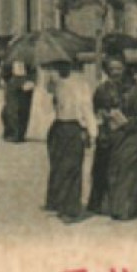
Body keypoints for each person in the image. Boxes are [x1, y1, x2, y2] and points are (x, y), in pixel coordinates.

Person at [88, 53, 137, 221]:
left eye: (119, 68)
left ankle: (125, 208)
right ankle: (105, 205)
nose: (115, 72)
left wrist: (128, 121)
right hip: (109, 134)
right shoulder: (102, 89)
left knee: (128, 172)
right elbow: (95, 108)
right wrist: (103, 114)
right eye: (112, 69)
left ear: (126, 69)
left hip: (130, 136)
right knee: (106, 170)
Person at [43, 61, 97, 222]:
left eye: (63, 65)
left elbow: (87, 108)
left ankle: (71, 209)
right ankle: (58, 202)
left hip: (74, 127)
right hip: (58, 127)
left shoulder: (80, 85)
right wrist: (50, 92)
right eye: (57, 66)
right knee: (58, 167)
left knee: (72, 167)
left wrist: (91, 131)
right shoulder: (54, 83)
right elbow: (45, 110)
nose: (60, 69)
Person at [0, 60, 35, 143]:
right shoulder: (12, 52)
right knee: (11, 108)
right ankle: (12, 133)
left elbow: (34, 68)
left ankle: (20, 134)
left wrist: (31, 80)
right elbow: (5, 66)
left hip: (25, 79)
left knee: (24, 108)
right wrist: (3, 77)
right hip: (12, 79)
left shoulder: (30, 53)